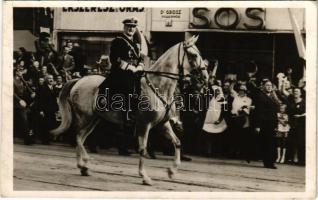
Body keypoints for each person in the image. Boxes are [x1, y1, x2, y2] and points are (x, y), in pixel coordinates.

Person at [96, 17, 144, 155]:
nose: (131, 29)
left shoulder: (135, 44)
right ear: (124, 27)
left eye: (133, 27)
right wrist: (129, 67)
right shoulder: (118, 41)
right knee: (124, 90)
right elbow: (115, 58)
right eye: (129, 26)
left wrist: (140, 65)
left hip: (133, 74)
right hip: (120, 74)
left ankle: (134, 114)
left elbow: (139, 58)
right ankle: (120, 111)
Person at [254, 80, 280, 169]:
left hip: (272, 123)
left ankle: (270, 161)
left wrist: (276, 124)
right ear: (263, 87)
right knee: (267, 143)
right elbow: (258, 112)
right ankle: (268, 162)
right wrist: (257, 125)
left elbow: (276, 110)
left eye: (270, 85)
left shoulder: (273, 97)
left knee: (272, 143)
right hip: (264, 123)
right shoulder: (260, 96)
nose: (269, 87)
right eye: (267, 85)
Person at [36, 74, 59, 144]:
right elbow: (40, 100)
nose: (51, 80)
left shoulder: (53, 88)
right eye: (49, 78)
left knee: (50, 124)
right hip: (45, 110)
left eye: (52, 78)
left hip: (51, 110)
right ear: (46, 80)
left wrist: (56, 109)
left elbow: (54, 99)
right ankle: (45, 140)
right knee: (45, 125)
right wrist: (41, 110)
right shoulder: (43, 88)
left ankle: (48, 138)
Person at [288, 88, 305, 165]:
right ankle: (293, 158)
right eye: (294, 91)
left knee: (300, 141)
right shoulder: (291, 102)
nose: (295, 93)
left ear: (300, 93)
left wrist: (300, 116)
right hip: (292, 124)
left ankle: (301, 159)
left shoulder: (304, 102)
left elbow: (309, 112)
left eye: (297, 91)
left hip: (301, 124)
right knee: (293, 141)